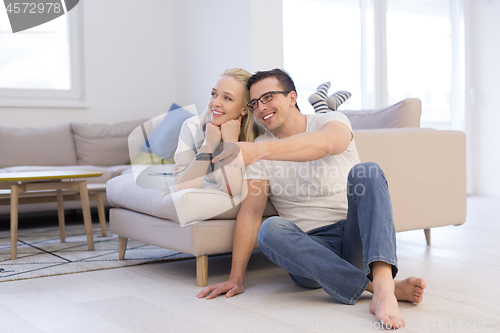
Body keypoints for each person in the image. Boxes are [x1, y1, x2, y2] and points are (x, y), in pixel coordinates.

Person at [197, 68, 426, 329]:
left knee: (368, 171)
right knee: (270, 229)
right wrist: (235, 278)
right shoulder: (260, 150)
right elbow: (250, 215)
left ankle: (384, 290)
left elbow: (326, 144)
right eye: (255, 103)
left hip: (355, 238)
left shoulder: (329, 121)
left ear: (292, 97)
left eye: (269, 97)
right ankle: (379, 289)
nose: (261, 108)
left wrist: (259, 151)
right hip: (311, 252)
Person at [172, 68, 259, 196]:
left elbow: (233, 192)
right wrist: (208, 145)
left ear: (244, 109)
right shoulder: (192, 126)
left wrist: (230, 143)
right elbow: (183, 189)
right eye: (214, 94)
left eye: (227, 98)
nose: (216, 103)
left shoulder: (258, 136)